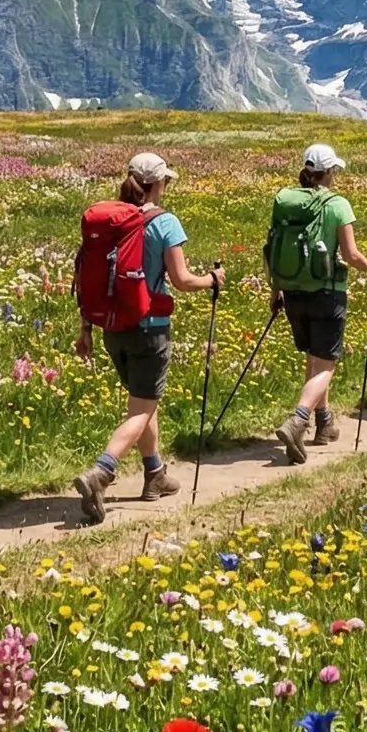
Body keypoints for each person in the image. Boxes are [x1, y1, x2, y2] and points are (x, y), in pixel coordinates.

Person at [71, 152, 223, 523]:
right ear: (157, 184)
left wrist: (86, 328)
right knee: (142, 408)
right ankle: (101, 472)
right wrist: (213, 280)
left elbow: (86, 275)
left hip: (111, 328)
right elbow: (184, 281)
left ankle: (155, 474)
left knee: (141, 403)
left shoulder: (110, 221)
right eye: (165, 181)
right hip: (149, 327)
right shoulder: (164, 222)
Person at [265, 142, 367, 464]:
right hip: (327, 292)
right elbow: (351, 255)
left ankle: (324, 423)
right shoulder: (337, 205)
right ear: (329, 172)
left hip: (291, 290)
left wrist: (275, 290)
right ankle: (299, 419)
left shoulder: (285, 201)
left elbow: (272, 247)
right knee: (327, 363)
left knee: (314, 358)